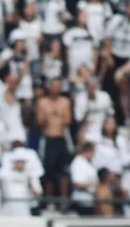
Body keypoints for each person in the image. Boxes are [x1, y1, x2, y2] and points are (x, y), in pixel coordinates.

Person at [37, 78, 72, 208]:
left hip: (61, 138)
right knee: (48, 171)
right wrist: (51, 116)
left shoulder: (65, 102)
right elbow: (40, 121)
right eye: (54, 86)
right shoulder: (42, 102)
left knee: (63, 172)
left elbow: (67, 120)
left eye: (58, 86)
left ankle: (63, 200)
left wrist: (55, 115)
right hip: (48, 138)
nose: (56, 89)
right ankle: (50, 200)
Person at [69, 142, 98, 215]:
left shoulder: (88, 162)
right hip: (81, 200)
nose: (94, 155)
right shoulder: (78, 163)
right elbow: (77, 184)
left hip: (90, 200)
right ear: (88, 151)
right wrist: (94, 184)